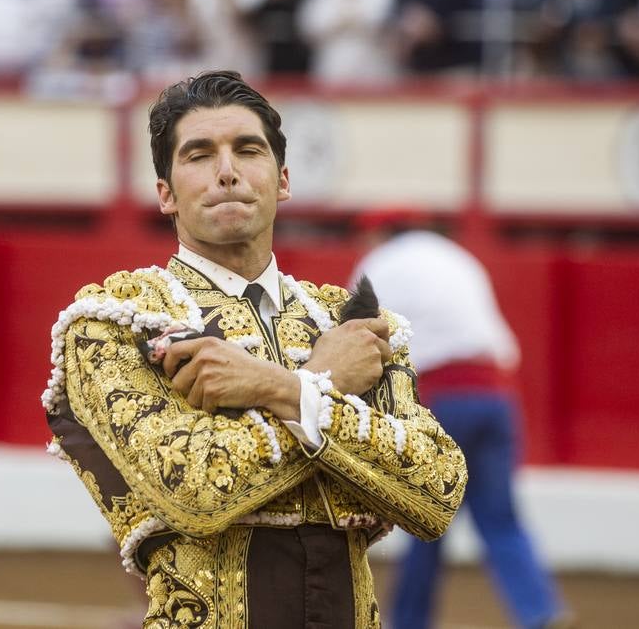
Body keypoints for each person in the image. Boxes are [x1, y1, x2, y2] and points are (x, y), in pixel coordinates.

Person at [44, 70, 467, 628]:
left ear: (282, 179)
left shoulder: (350, 322)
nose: (227, 172)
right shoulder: (117, 321)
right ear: (166, 195)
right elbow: (195, 488)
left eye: (248, 150)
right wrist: (321, 381)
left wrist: (280, 386)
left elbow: (437, 490)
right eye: (199, 155)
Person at [351, 216, 572, 629]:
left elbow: (356, 342)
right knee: (501, 519)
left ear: (383, 234)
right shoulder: (460, 258)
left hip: (440, 400)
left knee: (426, 521)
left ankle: (409, 623)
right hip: (497, 398)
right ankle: (541, 613)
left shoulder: (378, 264)